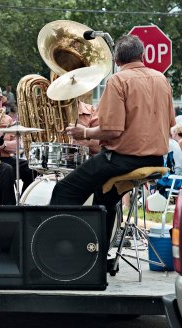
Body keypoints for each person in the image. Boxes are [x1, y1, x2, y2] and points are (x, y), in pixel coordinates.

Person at [49, 35, 175, 248]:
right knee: (103, 196)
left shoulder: (117, 81)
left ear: (116, 60)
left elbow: (112, 130)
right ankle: (98, 253)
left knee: (64, 190)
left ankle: (60, 249)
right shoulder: (162, 79)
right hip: (156, 159)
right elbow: (170, 122)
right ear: (142, 56)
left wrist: (85, 133)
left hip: (124, 159)